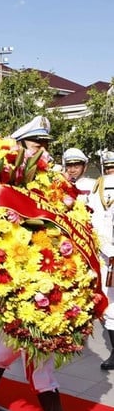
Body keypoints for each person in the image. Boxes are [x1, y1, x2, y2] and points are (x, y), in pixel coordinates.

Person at [0, 116, 75, 411]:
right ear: (21, 145)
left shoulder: (51, 182)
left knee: (14, 343)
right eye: (36, 143)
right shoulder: (8, 180)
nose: (42, 149)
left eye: (45, 144)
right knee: (36, 343)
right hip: (19, 273)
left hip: (49, 271)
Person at [90, 150, 114, 370]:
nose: (110, 173)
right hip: (108, 258)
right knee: (110, 306)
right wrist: (108, 250)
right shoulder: (97, 189)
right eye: (108, 169)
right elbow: (94, 223)